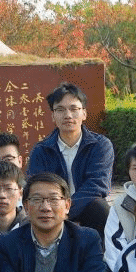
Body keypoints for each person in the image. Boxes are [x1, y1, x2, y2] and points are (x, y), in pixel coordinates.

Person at [25, 83, 114, 232]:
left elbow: (97, 185)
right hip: (51, 209)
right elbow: (36, 187)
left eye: (74, 109)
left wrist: (67, 210)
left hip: (87, 207)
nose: (68, 115)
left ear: (84, 113)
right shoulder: (41, 150)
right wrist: (57, 210)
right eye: (60, 109)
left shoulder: (100, 145)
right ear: (53, 116)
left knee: (101, 208)